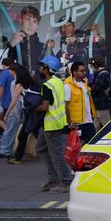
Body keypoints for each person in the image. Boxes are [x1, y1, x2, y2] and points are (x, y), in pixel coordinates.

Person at [35, 55, 71, 194]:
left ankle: (65, 181)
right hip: (54, 123)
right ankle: (54, 177)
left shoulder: (47, 86)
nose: (39, 68)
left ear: (47, 69)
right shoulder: (58, 82)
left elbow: (44, 107)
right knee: (40, 148)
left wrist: (32, 108)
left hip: (52, 124)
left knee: (56, 154)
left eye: (41, 66)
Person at [5, 65, 35, 165]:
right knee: (32, 134)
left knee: (22, 136)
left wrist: (7, 113)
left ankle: (18, 158)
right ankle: (18, 156)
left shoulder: (19, 86)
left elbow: (14, 101)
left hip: (28, 112)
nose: (12, 74)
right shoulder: (32, 83)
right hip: (36, 111)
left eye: (14, 72)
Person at [7, 5, 49, 74]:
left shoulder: (44, 47)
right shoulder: (13, 46)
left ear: (37, 25)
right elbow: (1, 65)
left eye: (34, 22)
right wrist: (11, 44)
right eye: (28, 20)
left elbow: (53, 72)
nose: (31, 24)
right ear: (21, 21)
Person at [65, 61, 97, 144]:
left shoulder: (84, 83)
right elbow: (66, 106)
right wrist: (69, 123)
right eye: (81, 71)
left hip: (88, 121)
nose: (84, 73)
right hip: (76, 123)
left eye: (84, 70)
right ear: (74, 72)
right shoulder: (68, 85)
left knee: (91, 144)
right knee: (76, 147)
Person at [0, 58, 16, 157]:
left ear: (3, 65)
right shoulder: (15, 73)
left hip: (7, 103)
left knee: (9, 128)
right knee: (13, 127)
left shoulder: (5, 74)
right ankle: (10, 148)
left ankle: (5, 150)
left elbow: (0, 89)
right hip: (16, 103)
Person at [88, 56, 111, 131]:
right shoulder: (106, 73)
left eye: (91, 66)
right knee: (95, 130)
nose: (91, 68)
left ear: (95, 65)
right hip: (99, 107)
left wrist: (88, 86)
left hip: (102, 107)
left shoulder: (102, 75)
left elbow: (94, 90)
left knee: (108, 130)